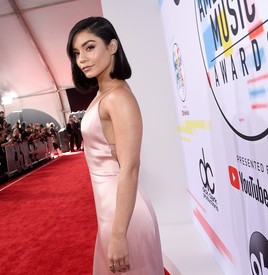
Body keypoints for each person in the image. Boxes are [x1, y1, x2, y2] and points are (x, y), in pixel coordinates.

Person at [67, 17, 164, 274]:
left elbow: (130, 167)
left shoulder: (119, 97)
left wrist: (119, 234)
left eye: (90, 47)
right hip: (111, 211)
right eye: (77, 53)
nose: (82, 59)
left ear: (112, 46)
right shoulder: (105, 93)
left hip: (124, 217)